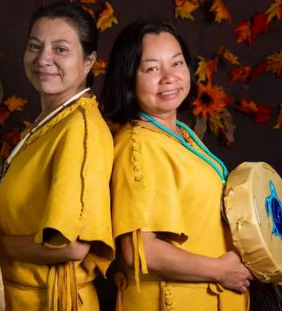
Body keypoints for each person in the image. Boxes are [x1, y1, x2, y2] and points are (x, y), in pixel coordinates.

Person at [101, 20, 252, 311]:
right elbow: (139, 250)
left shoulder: (182, 132)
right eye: (152, 68)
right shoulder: (138, 145)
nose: (169, 77)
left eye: (177, 63)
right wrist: (221, 271)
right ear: (128, 77)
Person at [0, 2, 114, 310]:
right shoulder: (51, 122)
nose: (43, 58)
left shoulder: (80, 129)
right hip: (18, 297)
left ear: (88, 62)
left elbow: (72, 247)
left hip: (53, 302)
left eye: (60, 49)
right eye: (35, 46)